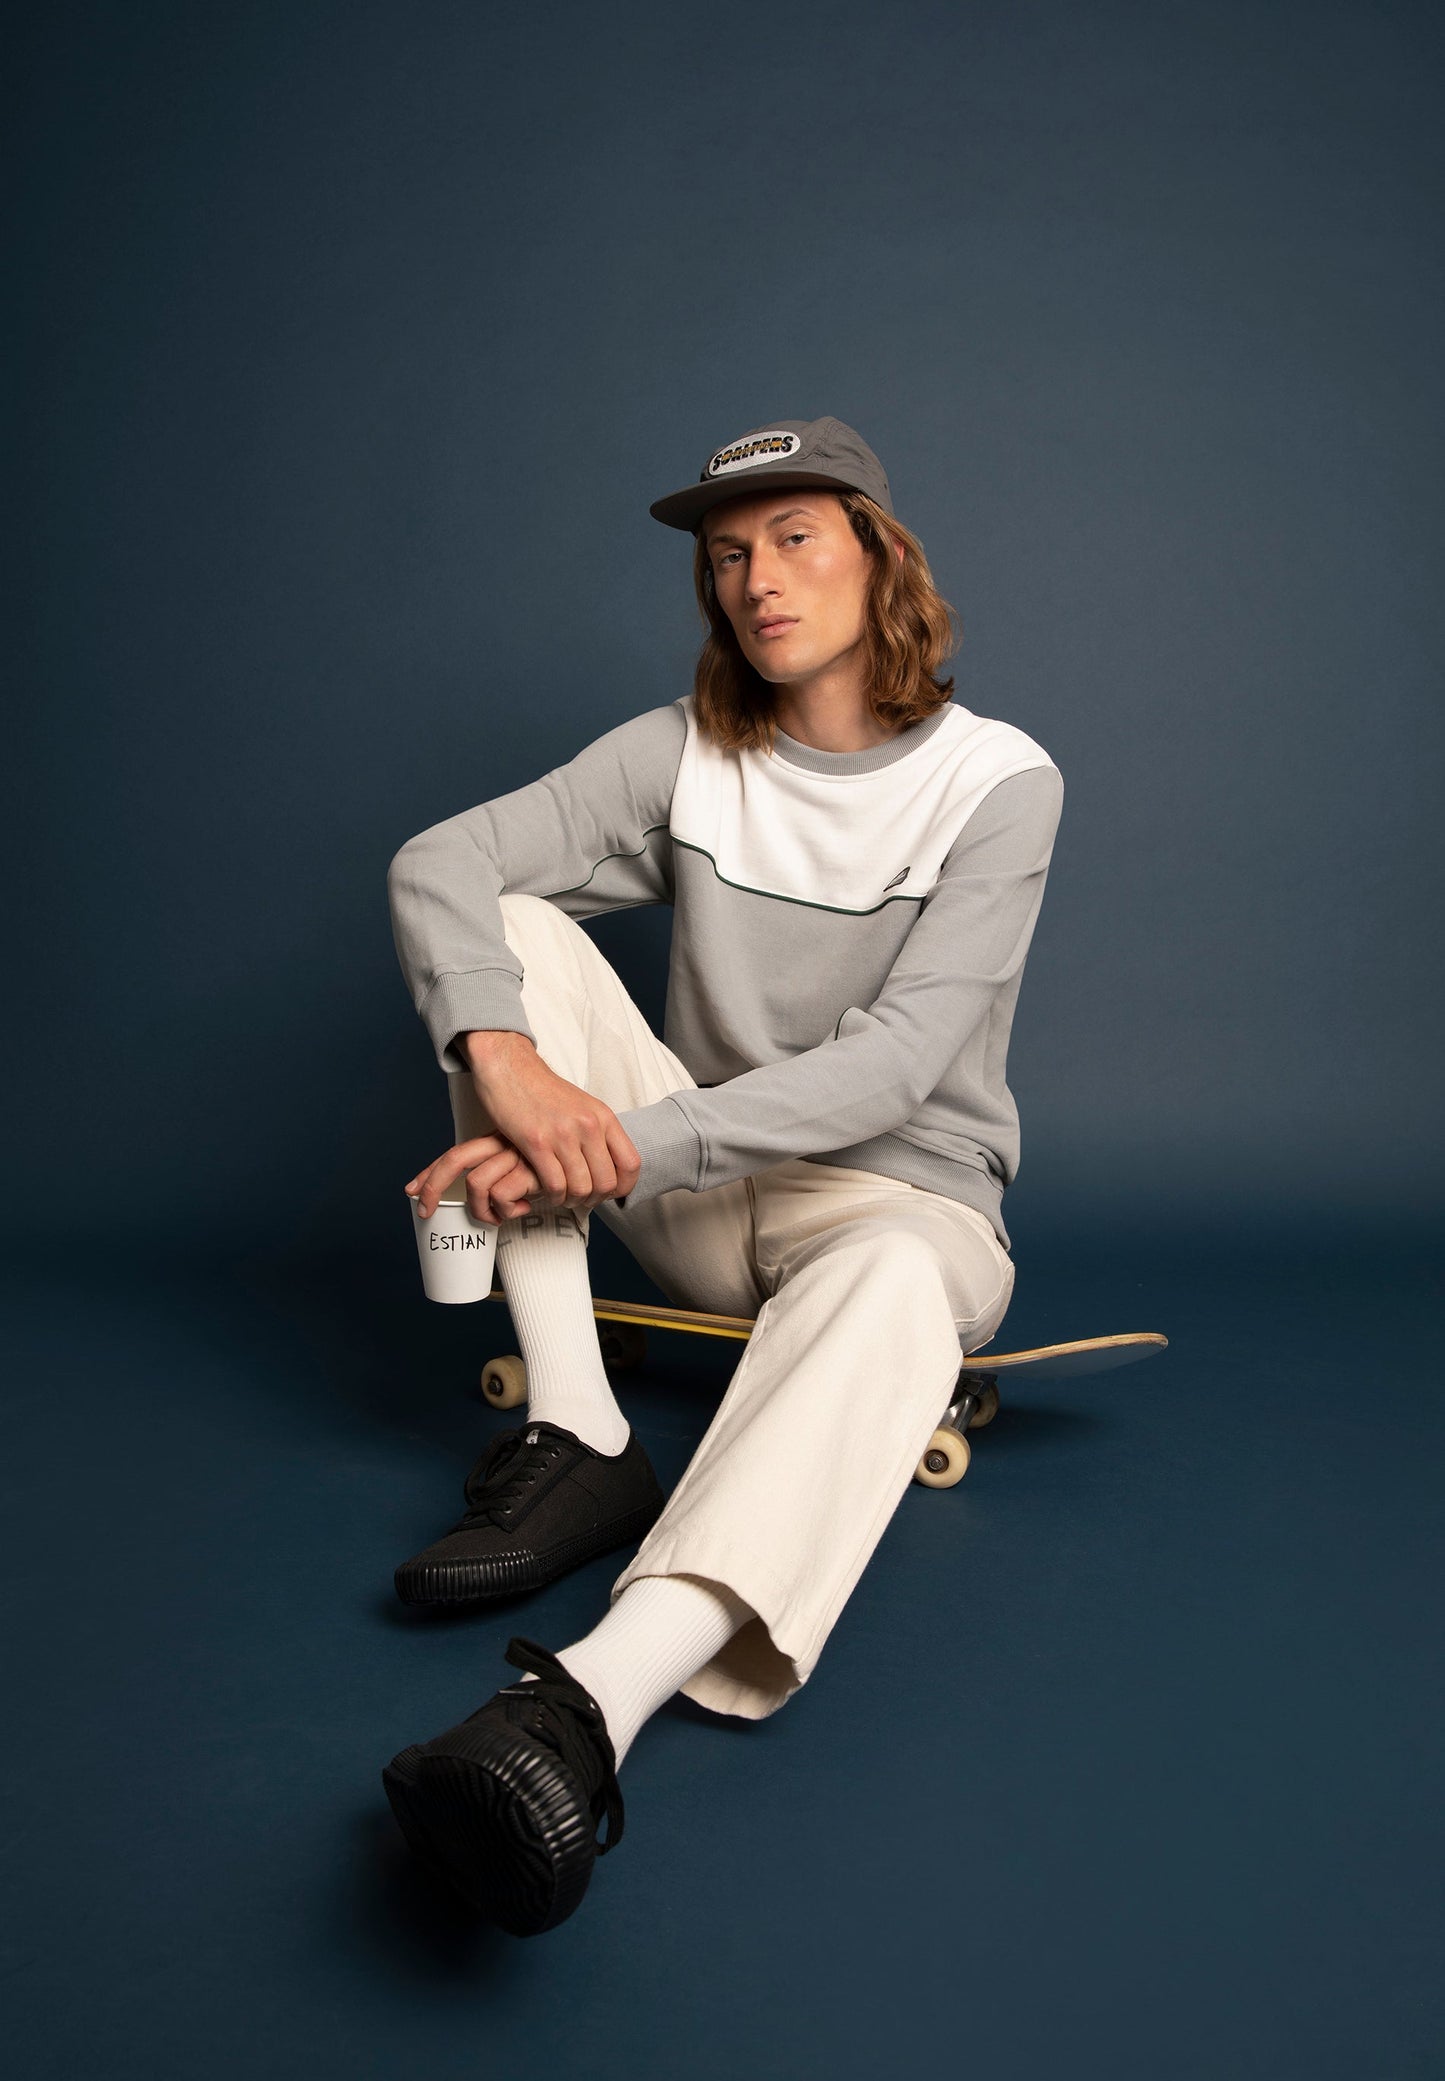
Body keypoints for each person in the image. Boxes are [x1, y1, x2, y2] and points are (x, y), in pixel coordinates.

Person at [381, 417, 1064, 1935]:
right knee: (513, 935)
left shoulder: (997, 779)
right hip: (703, 1206)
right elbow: (440, 864)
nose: (758, 578)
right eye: (728, 554)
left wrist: (609, 1143)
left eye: (796, 537)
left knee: (889, 1278)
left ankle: (578, 1712)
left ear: (879, 555)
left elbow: (897, 1066)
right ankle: (579, 1429)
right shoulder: (682, 751)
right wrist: (513, 1072)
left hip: (897, 1210)